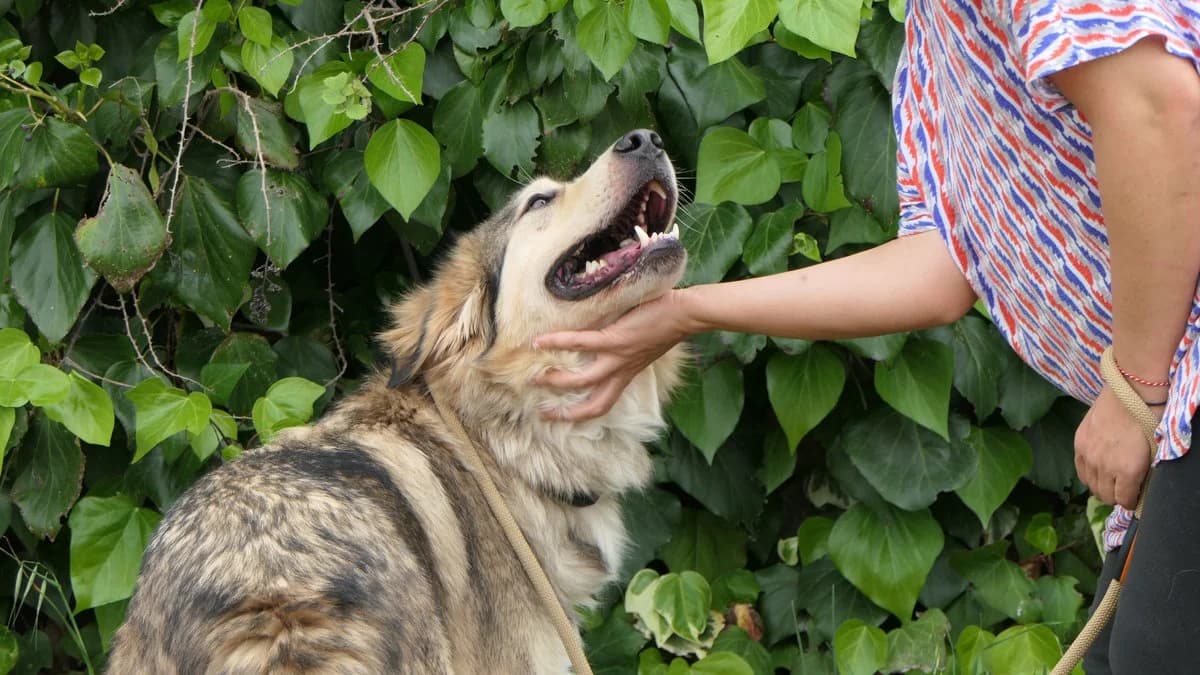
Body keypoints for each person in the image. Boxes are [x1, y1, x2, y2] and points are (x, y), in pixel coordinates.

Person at [533, 2, 1200, 672]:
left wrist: (1134, 384)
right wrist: (689, 311)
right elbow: (942, 267)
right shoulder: (935, 40)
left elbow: (1158, 107)